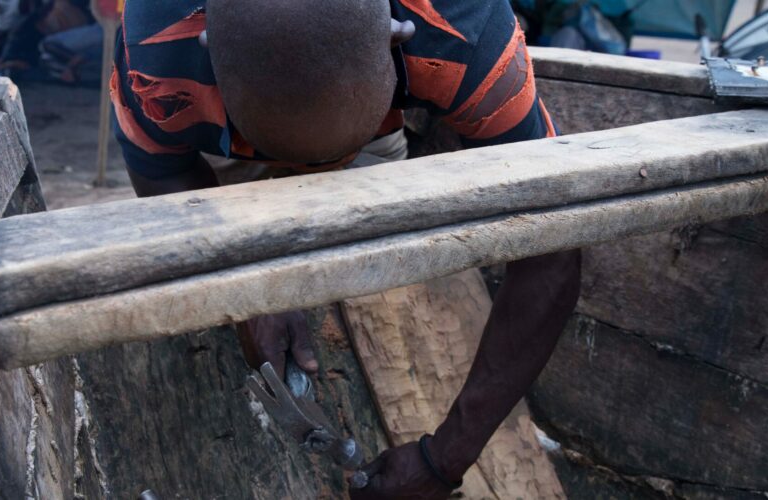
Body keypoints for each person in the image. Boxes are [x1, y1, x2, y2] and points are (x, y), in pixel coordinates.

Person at [110, 0, 581, 498]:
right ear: (209, 50)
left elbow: (552, 247)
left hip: (364, 141)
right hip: (231, 146)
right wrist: (246, 288)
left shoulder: (466, 32)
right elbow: (165, 176)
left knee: (388, 305)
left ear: (397, 35)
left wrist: (445, 458)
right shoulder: (155, 55)